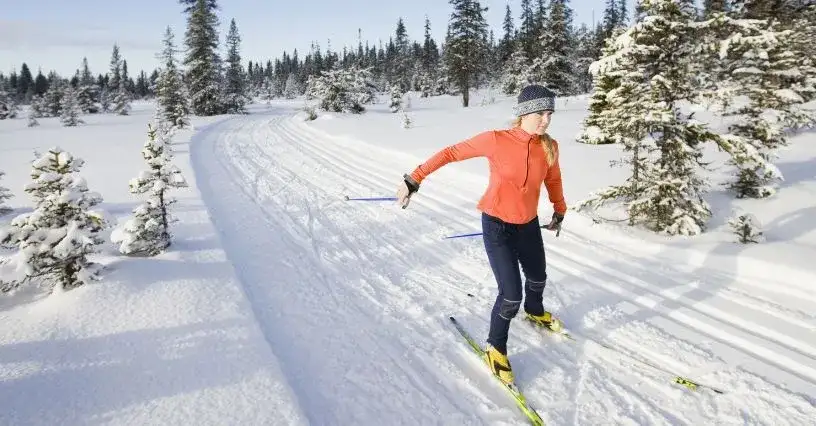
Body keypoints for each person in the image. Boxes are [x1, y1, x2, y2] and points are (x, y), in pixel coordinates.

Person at [395, 84, 567, 386]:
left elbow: (553, 178)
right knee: (510, 294)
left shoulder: (549, 147)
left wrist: (559, 209)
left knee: (538, 277)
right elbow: (450, 153)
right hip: (497, 225)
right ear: (524, 113)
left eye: (550, 113)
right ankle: (495, 347)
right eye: (540, 113)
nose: (546, 120)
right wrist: (413, 179)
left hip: (527, 224)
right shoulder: (496, 140)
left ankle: (535, 311)